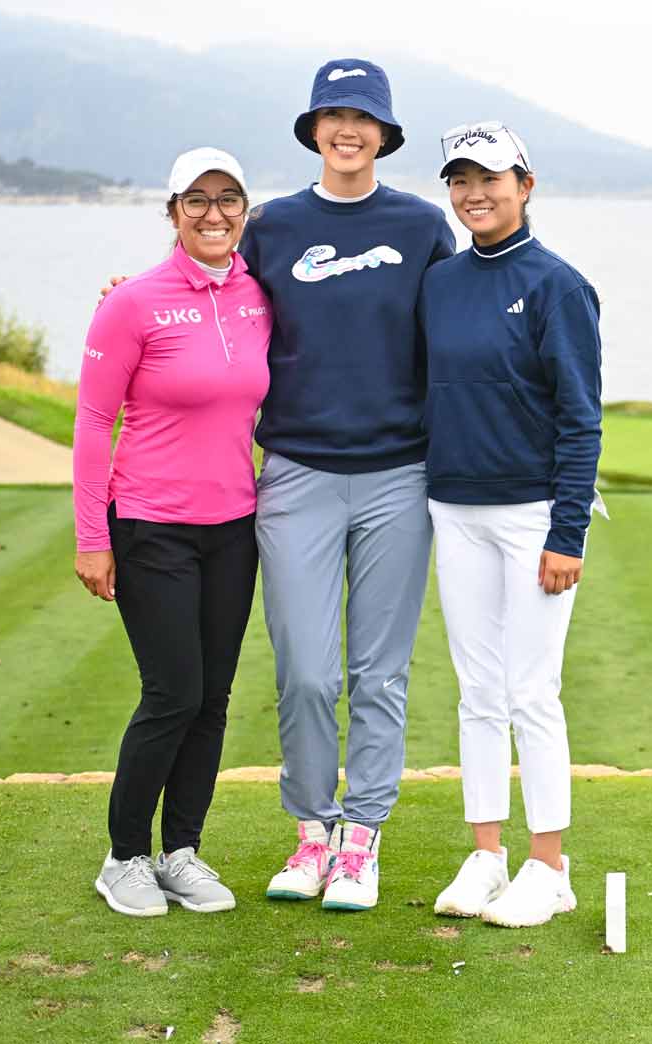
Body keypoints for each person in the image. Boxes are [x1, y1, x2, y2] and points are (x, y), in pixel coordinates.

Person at [245, 60, 457, 911]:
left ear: (384, 133)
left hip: (398, 478)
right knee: (304, 671)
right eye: (333, 114)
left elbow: (460, 327)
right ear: (313, 128)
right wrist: (129, 295)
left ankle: (361, 840)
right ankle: (310, 832)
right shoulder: (272, 226)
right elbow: (213, 302)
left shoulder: (420, 226)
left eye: (362, 117)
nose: (347, 129)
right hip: (296, 473)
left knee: (379, 674)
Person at [75, 147, 270, 918]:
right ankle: (123, 856)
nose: (214, 212)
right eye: (197, 200)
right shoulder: (132, 303)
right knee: (173, 692)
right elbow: (95, 422)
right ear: (172, 212)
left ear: (245, 210)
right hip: (150, 524)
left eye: (228, 199)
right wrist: (93, 537)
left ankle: (180, 851)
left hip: (235, 526)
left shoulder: (261, 292)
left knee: (213, 697)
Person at [420, 122, 604, 928]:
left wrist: (570, 532)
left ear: (525, 186)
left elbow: (581, 419)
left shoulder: (559, 285)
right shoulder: (442, 281)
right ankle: (488, 854)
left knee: (533, 691)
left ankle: (549, 868)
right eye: (460, 180)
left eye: (490, 178)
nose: (474, 194)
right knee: (478, 691)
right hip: (453, 508)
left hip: (533, 515)